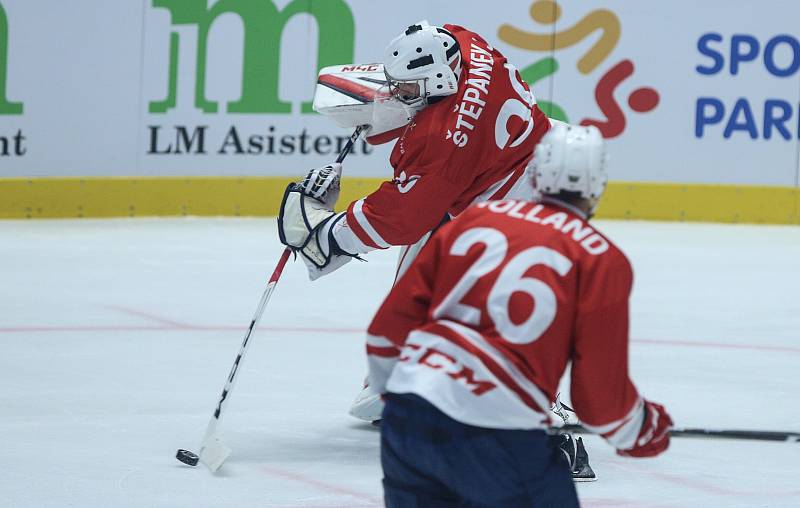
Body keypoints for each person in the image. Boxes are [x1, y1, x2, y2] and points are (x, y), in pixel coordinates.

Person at [363, 123, 673, 506]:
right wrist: (643, 429)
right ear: (598, 186)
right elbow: (600, 403)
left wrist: (406, 404)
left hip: (410, 425)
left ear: (535, 173)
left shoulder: (471, 223)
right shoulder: (599, 257)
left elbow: (384, 334)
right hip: (501, 437)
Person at [278, 21, 551, 422]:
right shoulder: (464, 43)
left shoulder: (445, 143)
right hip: (527, 161)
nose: (398, 95)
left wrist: (329, 235)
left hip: (513, 203)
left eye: (406, 90)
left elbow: (403, 217)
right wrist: (383, 105)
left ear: (439, 77)